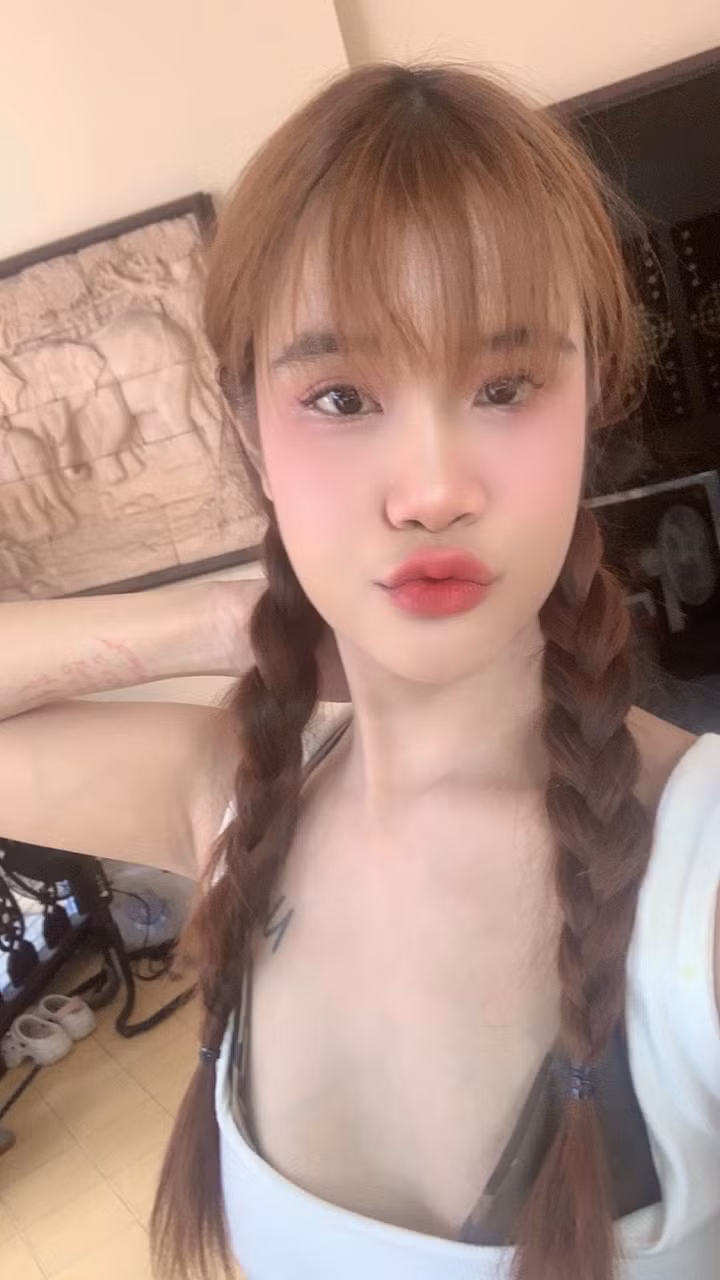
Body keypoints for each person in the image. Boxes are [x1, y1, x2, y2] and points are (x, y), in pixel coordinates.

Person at [1, 62, 718, 1280]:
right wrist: (221, 618)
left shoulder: (697, 878)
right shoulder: (231, 801)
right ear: (251, 435)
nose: (433, 487)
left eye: (505, 386)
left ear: (587, 405)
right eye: (340, 395)